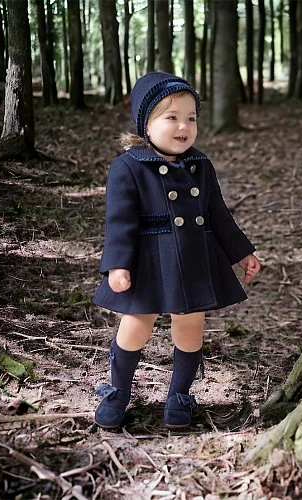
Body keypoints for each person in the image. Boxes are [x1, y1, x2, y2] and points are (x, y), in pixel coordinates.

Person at [93, 71, 261, 430]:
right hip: (149, 261)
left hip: (193, 258)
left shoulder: (201, 165)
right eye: (171, 117)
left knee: (190, 326)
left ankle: (179, 395)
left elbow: (218, 215)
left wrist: (241, 252)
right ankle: (118, 391)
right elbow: (120, 222)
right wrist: (118, 265)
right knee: (136, 325)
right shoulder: (128, 167)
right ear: (145, 124)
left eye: (191, 117)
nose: (183, 126)